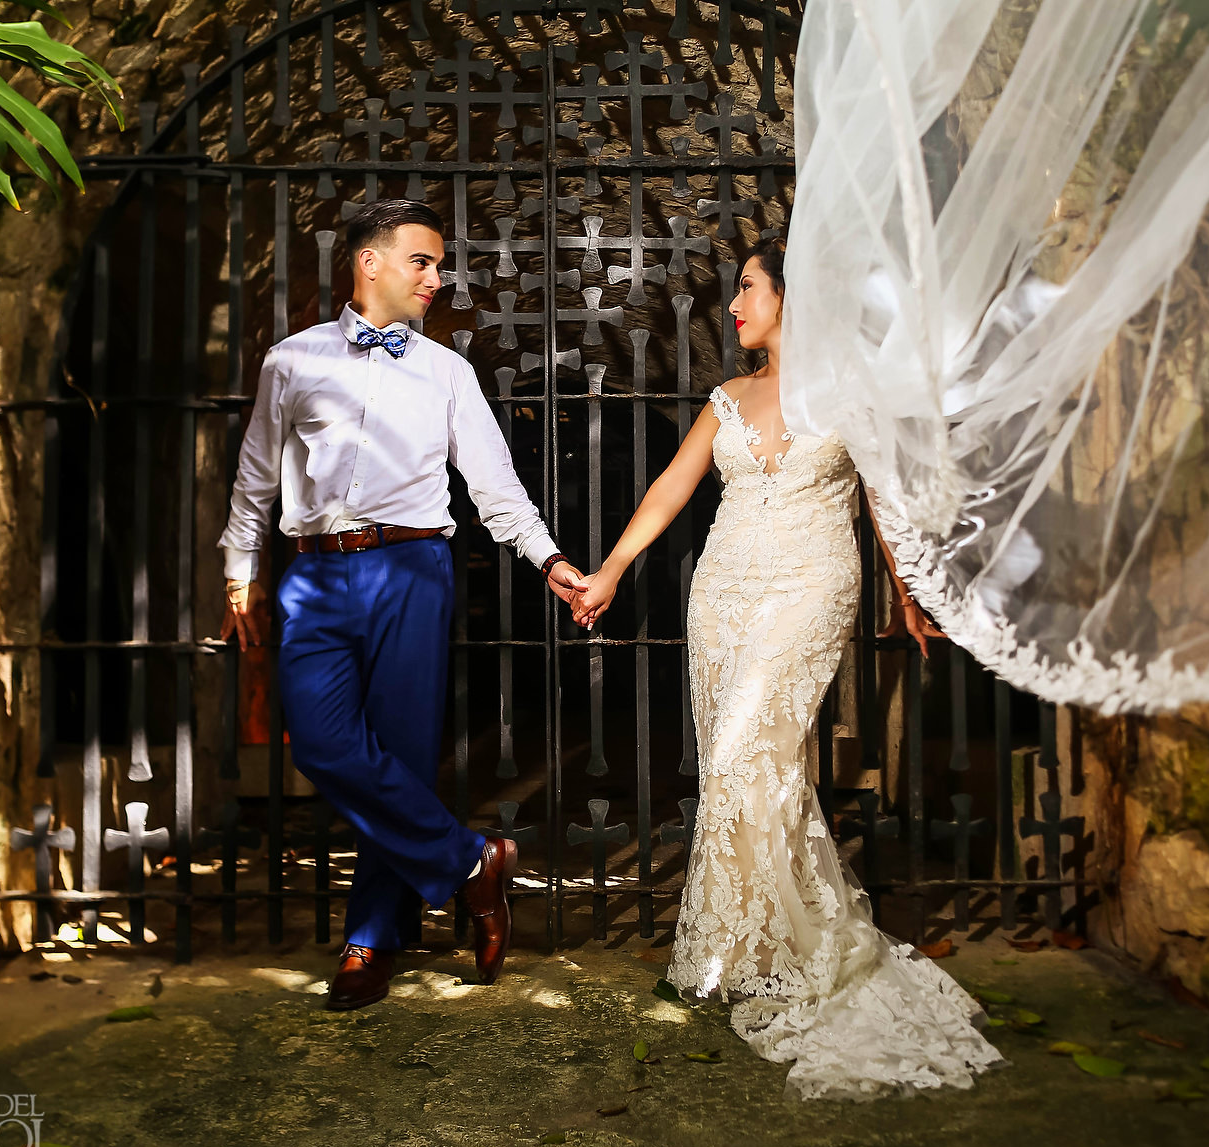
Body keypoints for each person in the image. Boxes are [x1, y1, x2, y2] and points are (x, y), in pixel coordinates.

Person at [571, 238, 1005, 1100]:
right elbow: (670, 487)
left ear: (791, 296)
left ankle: (730, 949)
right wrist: (613, 568)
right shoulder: (728, 397)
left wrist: (906, 595)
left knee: (746, 757)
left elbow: (883, 504)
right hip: (724, 592)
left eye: (746, 288)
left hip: (810, 585)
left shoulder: (853, 398)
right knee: (746, 769)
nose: (734, 305)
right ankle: (747, 942)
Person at [217, 198, 587, 1010]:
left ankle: (371, 938)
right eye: (422, 261)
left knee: (404, 753)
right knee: (318, 743)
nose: (437, 277)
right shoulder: (291, 362)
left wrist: (547, 558)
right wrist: (241, 574)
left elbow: (495, 487)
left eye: (438, 263)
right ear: (369, 262)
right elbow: (253, 479)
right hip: (313, 573)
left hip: (414, 569)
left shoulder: (447, 372)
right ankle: (469, 863)